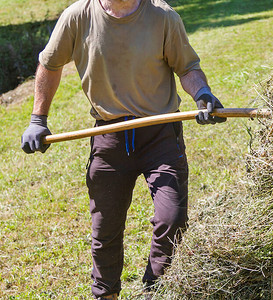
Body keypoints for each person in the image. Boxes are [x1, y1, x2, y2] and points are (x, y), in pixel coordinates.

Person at [20, 0, 226, 298]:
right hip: (109, 137)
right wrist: (38, 119)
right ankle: (106, 294)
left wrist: (202, 94)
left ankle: (156, 290)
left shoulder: (163, 16)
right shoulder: (78, 17)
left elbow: (188, 67)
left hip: (160, 134)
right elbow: (49, 64)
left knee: (172, 218)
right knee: (105, 231)